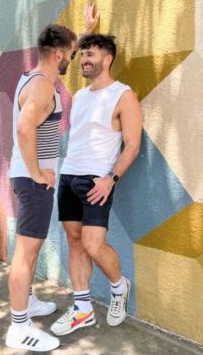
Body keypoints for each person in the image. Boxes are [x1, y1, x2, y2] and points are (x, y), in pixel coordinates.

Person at [5, 1, 99, 349]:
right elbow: (24, 129)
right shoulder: (44, 88)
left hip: (25, 177)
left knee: (28, 249)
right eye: (72, 52)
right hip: (32, 181)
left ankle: (26, 302)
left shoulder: (35, 74)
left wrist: (85, 31)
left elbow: (64, 61)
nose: (74, 57)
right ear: (58, 53)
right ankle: (19, 326)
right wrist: (37, 172)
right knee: (27, 253)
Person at [50, 33, 142, 336]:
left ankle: (119, 286)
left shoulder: (123, 95)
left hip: (96, 181)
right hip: (69, 176)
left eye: (91, 55)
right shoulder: (80, 96)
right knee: (75, 241)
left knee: (92, 244)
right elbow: (63, 57)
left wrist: (110, 179)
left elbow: (132, 145)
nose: (84, 60)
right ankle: (83, 310)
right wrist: (86, 31)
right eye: (83, 54)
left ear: (108, 59)